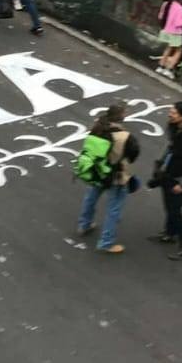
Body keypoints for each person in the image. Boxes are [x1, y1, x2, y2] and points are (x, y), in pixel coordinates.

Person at [73, 103, 136, 253]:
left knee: (90, 198)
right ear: (122, 116)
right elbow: (133, 155)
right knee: (114, 208)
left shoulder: (98, 127)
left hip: (96, 171)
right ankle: (106, 242)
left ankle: (84, 225)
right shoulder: (124, 136)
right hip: (115, 176)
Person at [150, 101, 182, 260]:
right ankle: (169, 233)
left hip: (178, 180)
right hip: (167, 175)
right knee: (169, 208)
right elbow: (170, 147)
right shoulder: (174, 128)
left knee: (176, 212)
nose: (170, 114)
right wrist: (160, 163)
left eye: (174, 112)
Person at [155, 0, 182, 78]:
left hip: (166, 29)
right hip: (176, 32)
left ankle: (161, 66)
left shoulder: (167, 4)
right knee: (179, 50)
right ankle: (169, 69)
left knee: (168, 48)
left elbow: (160, 16)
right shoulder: (180, 8)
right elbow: (178, 23)